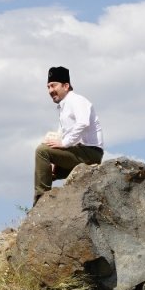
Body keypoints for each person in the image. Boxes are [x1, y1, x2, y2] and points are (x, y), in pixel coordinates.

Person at [33, 66, 104, 204]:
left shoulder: (77, 100)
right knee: (46, 170)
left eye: (53, 85)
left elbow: (83, 123)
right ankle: (49, 203)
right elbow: (62, 133)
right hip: (79, 152)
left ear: (66, 86)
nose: (50, 90)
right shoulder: (64, 106)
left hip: (90, 153)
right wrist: (55, 158)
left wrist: (64, 144)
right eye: (48, 87)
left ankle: (41, 201)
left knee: (41, 151)